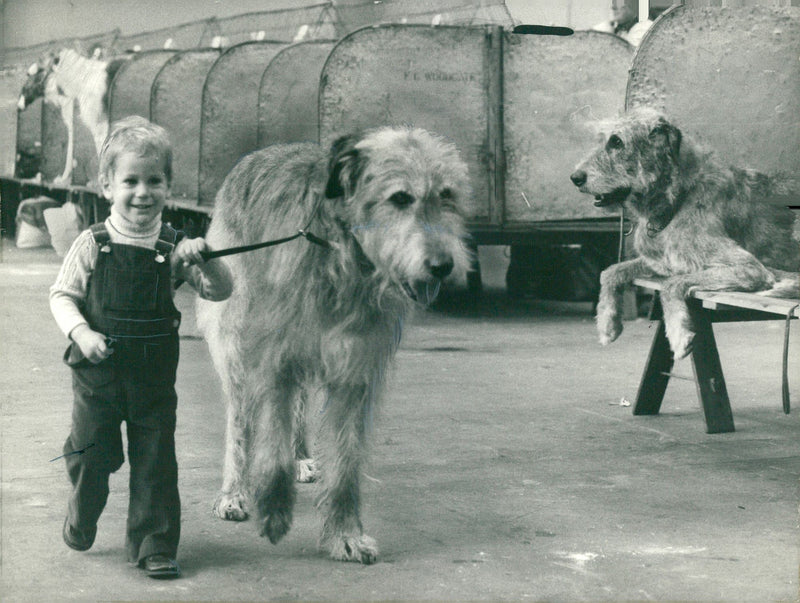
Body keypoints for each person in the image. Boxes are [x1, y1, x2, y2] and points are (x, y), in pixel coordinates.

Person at [50, 116, 233, 579]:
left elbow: (218, 292)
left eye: (155, 181)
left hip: (153, 380)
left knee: (155, 462)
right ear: (106, 185)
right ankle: (83, 511)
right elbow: (61, 295)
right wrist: (82, 334)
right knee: (93, 456)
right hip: (98, 377)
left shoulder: (174, 246)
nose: (143, 192)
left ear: (168, 185)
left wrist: (207, 259)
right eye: (130, 181)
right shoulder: (93, 242)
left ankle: (154, 543)